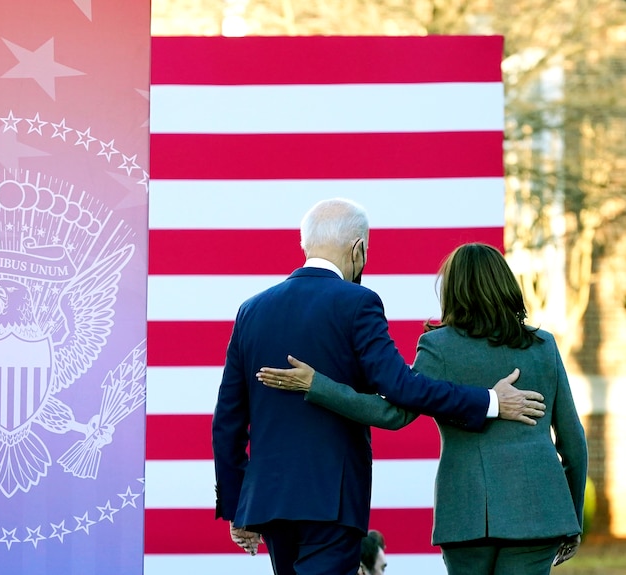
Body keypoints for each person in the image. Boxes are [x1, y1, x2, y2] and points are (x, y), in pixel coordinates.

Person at [212, 199, 546, 575]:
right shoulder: (358, 302)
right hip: (332, 500)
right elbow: (402, 388)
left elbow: (227, 421)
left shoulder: (252, 310)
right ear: (358, 249)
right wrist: (490, 401)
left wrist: (238, 506)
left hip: (268, 501)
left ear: (305, 245)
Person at [257, 242, 587, 575]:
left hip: (465, 516)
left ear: (453, 290)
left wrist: (318, 385)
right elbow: (573, 442)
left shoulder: (439, 346)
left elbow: (393, 413)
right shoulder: (543, 346)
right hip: (539, 512)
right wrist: (573, 519)